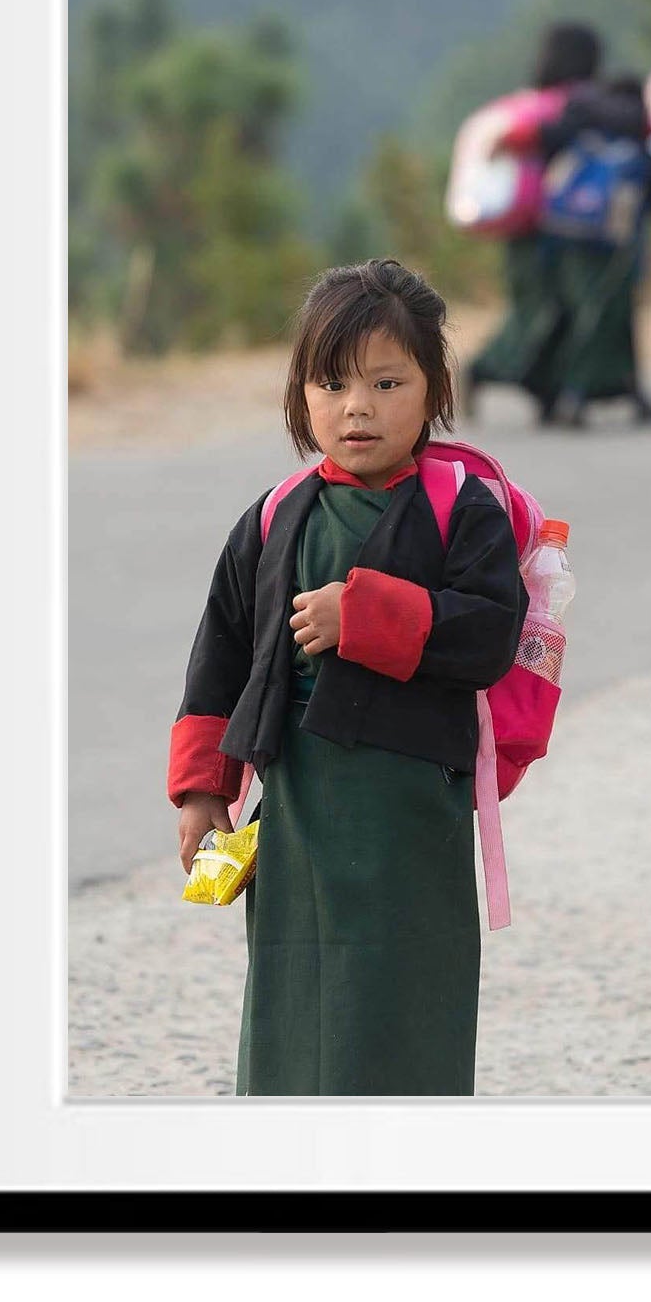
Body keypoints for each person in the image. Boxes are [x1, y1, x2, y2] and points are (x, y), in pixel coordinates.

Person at [168, 258, 527, 1096]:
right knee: (296, 990)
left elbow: (487, 635)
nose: (356, 407)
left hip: (411, 810)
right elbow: (220, 655)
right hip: (298, 804)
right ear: (300, 396)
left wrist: (363, 617)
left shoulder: (462, 509)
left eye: (386, 383)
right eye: (330, 384)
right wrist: (203, 789)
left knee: (406, 993)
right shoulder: (275, 516)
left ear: (435, 390)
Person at [463, 21, 603, 422]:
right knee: (540, 310)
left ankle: (546, 391)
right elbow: (556, 136)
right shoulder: (570, 106)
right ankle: (485, 369)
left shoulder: (534, 104)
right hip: (546, 228)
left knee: (550, 309)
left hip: (533, 224)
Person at [537, 73, 651, 429]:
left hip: (568, 239)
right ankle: (575, 395)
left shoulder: (581, 131)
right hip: (616, 248)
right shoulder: (634, 143)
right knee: (605, 318)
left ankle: (622, 393)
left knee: (589, 315)